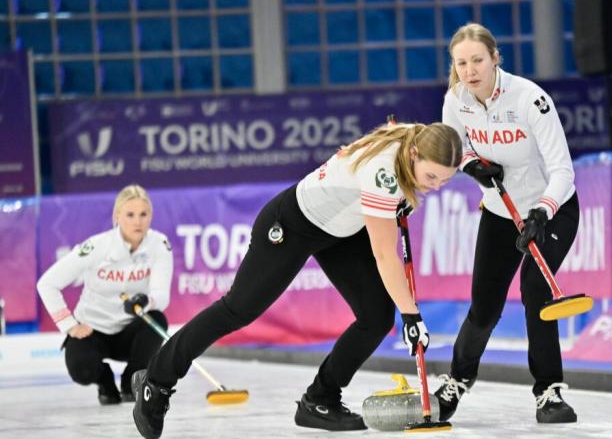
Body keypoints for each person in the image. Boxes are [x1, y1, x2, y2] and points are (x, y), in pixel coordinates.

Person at [130, 122, 462, 439]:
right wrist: (412, 315)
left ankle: (321, 399)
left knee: (375, 317)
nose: (434, 186)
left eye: (444, 181)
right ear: (415, 153)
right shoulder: (384, 171)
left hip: (341, 229)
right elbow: (385, 255)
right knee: (237, 310)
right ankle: (156, 382)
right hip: (292, 224)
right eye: (431, 176)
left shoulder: (410, 143)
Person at [435, 23, 580, 424]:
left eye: (477, 60)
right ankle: (457, 381)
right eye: (461, 63)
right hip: (501, 211)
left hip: (552, 210)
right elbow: (455, 147)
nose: (469, 70)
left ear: (495, 58)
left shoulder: (530, 99)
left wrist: (541, 211)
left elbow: (563, 171)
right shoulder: (456, 100)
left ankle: (549, 392)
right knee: (484, 305)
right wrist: (472, 166)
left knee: (535, 289)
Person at [37, 184, 173, 405]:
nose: (137, 221)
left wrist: (147, 300)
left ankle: (132, 379)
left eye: (143, 214)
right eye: (130, 214)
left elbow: (162, 296)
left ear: (151, 216)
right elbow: (47, 283)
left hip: (130, 333)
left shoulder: (160, 245)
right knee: (81, 371)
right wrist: (70, 326)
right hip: (92, 331)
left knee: (157, 318)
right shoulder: (97, 246)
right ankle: (104, 379)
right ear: (117, 216)